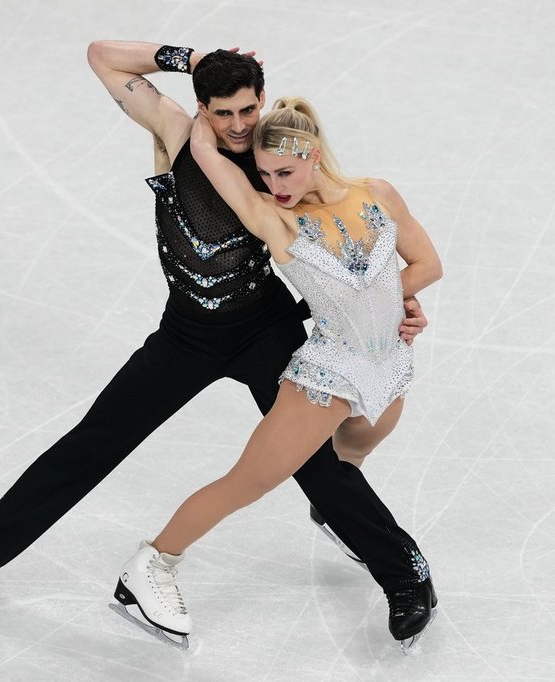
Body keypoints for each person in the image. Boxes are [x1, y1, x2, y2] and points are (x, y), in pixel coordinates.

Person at [0, 42, 434, 650]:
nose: (238, 125)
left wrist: (391, 303)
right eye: (223, 113)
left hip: (268, 327)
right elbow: (103, 58)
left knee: (312, 461)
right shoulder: (176, 131)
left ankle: (403, 574)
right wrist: (189, 56)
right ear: (202, 107)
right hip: (188, 335)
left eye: (247, 110)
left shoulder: (275, 155)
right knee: (96, 441)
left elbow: (348, 243)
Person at [113, 93, 444, 651]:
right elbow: (218, 169)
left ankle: (333, 512)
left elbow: (427, 265)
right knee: (249, 482)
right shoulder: (278, 220)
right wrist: (201, 123)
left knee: (354, 452)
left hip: (389, 364)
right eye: (266, 174)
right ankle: (150, 567)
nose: (276, 184)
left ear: (313, 154)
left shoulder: (377, 194)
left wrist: (395, 305)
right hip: (326, 375)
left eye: (285, 171)